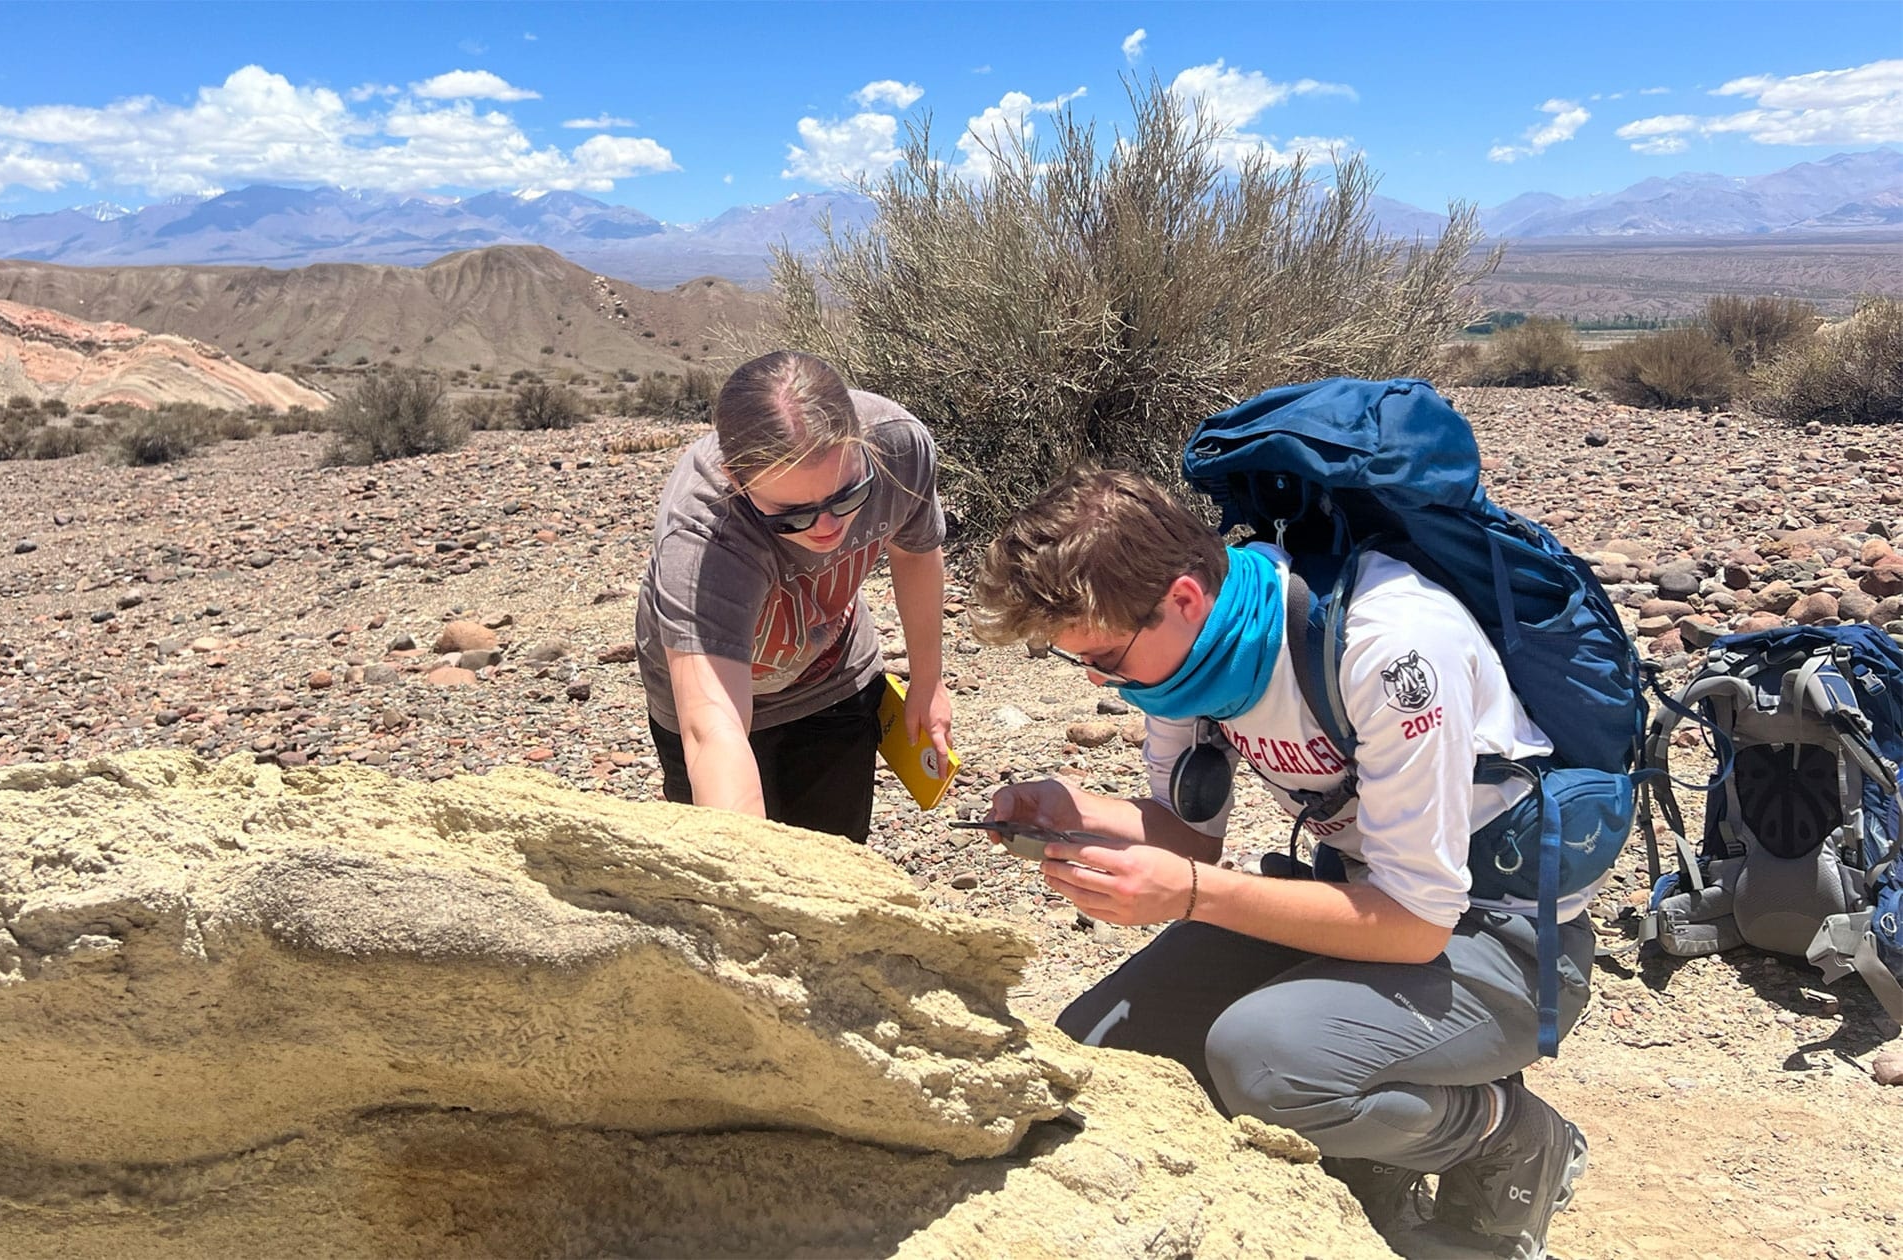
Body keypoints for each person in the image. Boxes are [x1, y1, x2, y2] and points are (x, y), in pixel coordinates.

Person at [971, 467, 1596, 1260]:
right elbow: (1189, 836)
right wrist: (1075, 813)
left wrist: (1191, 896)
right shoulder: (1191, 666)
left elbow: (1413, 926)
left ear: (1186, 599)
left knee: (1264, 1060)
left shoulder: (1386, 648)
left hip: (1501, 945)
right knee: (1097, 1050)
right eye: (1082, 664)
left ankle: (1510, 1137)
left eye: (1107, 658)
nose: (1102, 680)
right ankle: (1365, 1150)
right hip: (1360, 907)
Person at [634, 350, 950, 843]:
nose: (829, 528)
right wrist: (757, 877)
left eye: (847, 496)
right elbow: (714, 730)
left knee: (838, 853)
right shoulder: (702, 539)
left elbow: (914, 553)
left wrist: (928, 683)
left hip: (833, 675)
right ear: (737, 481)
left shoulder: (898, 448)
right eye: (792, 514)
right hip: (707, 701)